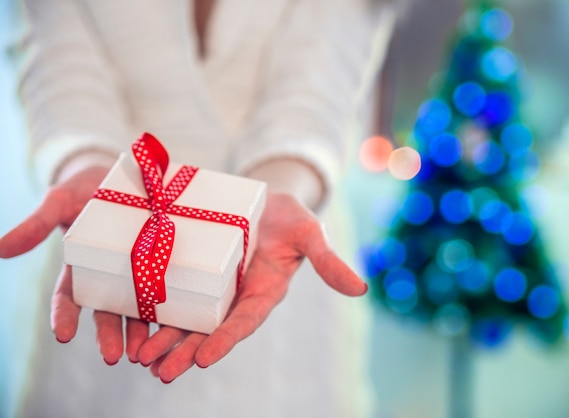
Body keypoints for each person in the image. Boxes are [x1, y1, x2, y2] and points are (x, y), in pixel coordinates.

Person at [0, 0, 395, 416]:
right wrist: (88, 168)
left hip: (273, 246)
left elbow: (317, 94)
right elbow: (59, 68)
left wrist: (273, 194)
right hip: (109, 239)